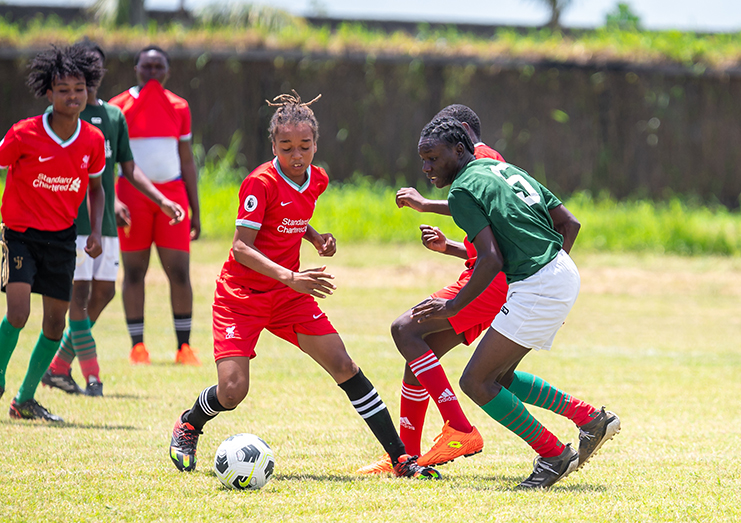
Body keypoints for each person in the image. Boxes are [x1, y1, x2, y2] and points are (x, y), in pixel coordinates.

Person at [167, 91, 440, 480]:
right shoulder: (258, 183)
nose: (297, 155)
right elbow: (241, 248)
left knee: (344, 365)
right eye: (286, 146)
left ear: (316, 143)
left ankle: (401, 460)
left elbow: (290, 216)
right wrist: (291, 276)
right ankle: (190, 423)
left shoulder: (318, 179)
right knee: (232, 391)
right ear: (273, 145)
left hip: (289, 297)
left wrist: (314, 237)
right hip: (242, 297)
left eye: (304, 146)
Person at [410, 115, 620, 489]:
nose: (427, 168)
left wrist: (452, 306)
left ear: (459, 151)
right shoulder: (498, 168)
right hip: (558, 273)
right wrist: (553, 280)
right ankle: (589, 419)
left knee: (475, 381)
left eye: (434, 158)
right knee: (500, 376)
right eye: (423, 159)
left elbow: (491, 260)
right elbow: (568, 223)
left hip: (539, 285)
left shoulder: (462, 191)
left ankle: (554, 454)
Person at [358, 104, 509, 474]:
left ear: (460, 139)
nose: (428, 166)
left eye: (433, 155)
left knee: (405, 329)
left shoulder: (481, 160)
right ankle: (406, 458)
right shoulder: (484, 162)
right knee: (418, 360)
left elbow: (493, 252)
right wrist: (451, 247)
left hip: (487, 282)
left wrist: (425, 205)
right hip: (485, 275)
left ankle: (460, 427)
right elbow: (489, 238)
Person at [41, 40, 185, 398]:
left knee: (103, 292)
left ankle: (58, 366)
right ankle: (92, 377)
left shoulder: (113, 117)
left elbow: (127, 169)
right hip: (71, 222)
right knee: (78, 296)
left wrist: (162, 200)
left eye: (94, 66)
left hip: (103, 223)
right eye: (81, 66)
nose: (87, 74)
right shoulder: (64, 118)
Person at [0, 44, 106, 421]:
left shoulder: (92, 140)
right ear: (49, 92)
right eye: (64, 89)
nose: (73, 96)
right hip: (20, 235)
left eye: (79, 88)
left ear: (88, 91)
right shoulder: (23, 133)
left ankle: (24, 399)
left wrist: (94, 231)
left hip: (62, 238)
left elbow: (96, 187)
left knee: (55, 322)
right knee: (17, 312)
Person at [108, 45, 201, 366]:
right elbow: (108, 163)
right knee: (134, 271)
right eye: (145, 67)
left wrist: (195, 208)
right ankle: (138, 347)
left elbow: (187, 161)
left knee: (179, 271)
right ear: (135, 68)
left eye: (158, 67)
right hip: (132, 195)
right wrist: (115, 200)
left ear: (167, 71)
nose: (151, 72)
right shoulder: (117, 108)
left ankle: (184, 347)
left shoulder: (180, 106)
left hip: (173, 194)